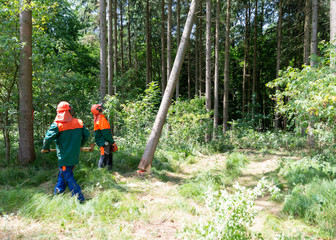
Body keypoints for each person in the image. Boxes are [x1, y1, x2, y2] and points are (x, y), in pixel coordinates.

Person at [42, 101, 90, 203]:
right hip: (75, 156)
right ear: (69, 111)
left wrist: (45, 148)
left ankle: (79, 198)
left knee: (67, 175)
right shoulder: (79, 122)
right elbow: (86, 135)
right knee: (63, 174)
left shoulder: (57, 125)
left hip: (64, 157)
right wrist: (80, 145)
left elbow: (47, 139)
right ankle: (57, 195)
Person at [91, 103, 118, 170]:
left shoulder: (97, 119)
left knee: (108, 155)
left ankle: (108, 171)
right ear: (99, 110)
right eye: (100, 107)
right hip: (104, 141)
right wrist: (112, 142)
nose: (102, 108)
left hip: (102, 141)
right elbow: (106, 134)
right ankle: (101, 171)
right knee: (104, 156)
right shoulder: (101, 120)